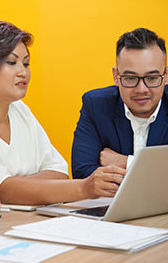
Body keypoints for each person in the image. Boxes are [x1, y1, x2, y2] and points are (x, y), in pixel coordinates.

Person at [0, 21, 125, 205]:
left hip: (17, 221)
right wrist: (83, 188)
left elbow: (60, 172)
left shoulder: (20, 111)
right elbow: (1, 191)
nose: (24, 72)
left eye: (26, 63)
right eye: (12, 63)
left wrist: (18, 186)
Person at [72, 28, 168, 179]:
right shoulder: (95, 105)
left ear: (166, 76)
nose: (141, 89)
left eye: (152, 78)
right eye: (130, 78)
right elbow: (83, 173)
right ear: (116, 76)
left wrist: (126, 162)